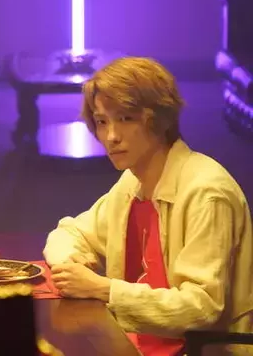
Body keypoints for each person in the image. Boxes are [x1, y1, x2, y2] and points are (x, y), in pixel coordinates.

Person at [43, 57, 253, 355]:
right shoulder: (133, 182)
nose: (111, 136)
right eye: (102, 122)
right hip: (135, 344)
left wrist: (102, 288)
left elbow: (202, 307)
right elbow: (69, 232)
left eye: (126, 119)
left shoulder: (207, 192)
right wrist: (72, 264)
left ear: (159, 118)